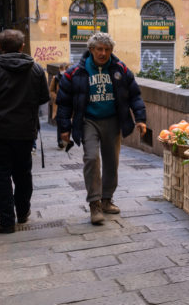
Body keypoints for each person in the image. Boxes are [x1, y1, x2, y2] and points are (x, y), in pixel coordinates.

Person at [57, 32, 147, 225]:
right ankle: (94, 204)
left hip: (113, 120)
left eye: (107, 49)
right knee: (91, 158)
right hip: (88, 121)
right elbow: (63, 102)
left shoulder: (120, 69)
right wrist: (64, 128)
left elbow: (135, 95)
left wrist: (140, 118)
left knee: (111, 162)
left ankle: (107, 199)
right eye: (99, 49)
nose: (103, 53)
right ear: (91, 50)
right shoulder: (76, 72)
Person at [0, 29, 49, 234]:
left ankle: (7, 222)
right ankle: (23, 212)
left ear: (0, 46)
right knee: (23, 174)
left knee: (2, 176)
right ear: (22, 47)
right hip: (25, 132)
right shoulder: (36, 69)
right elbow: (43, 97)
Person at [48, 62, 68, 147]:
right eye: (61, 69)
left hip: (68, 104)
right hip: (59, 104)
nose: (62, 71)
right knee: (59, 123)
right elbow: (51, 90)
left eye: (64, 69)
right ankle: (60, 141)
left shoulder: (71, 78)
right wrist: (56, 97)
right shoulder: (55, 78)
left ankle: (65, 140)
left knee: (66, 123)